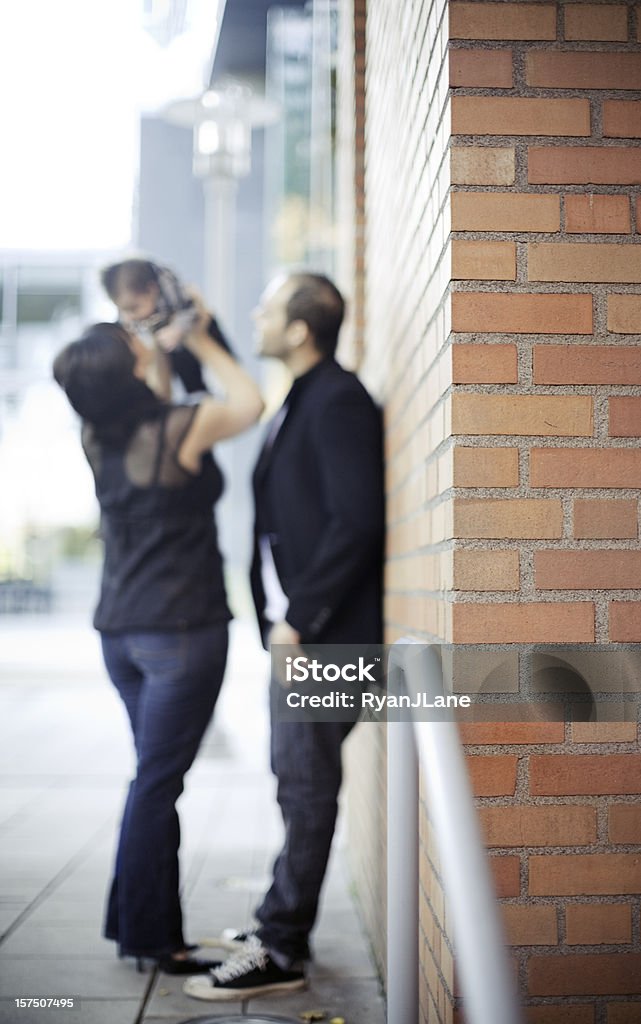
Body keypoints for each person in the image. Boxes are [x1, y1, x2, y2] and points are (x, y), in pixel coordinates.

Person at [184, 271, 384, 1002]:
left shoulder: (336, 399)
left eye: (267, 308)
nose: (256, 315)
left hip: (324, 638)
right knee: (293, 783)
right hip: (301, 635)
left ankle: (282, 946)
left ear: (300, 329)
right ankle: (277, 918)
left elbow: (357, 520)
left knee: (306, 790)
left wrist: (299, 615)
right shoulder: (304, 396)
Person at [52, 307, 264, 973]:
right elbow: (250, 401)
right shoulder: (180, 428)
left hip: (120, 633)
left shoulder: (97, 433)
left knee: (153, 779)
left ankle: (141, 926)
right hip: (180, 632)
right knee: (156, 783)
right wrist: (198, 336)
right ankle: (149, 935)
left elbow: (156, 401)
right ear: (131, 368)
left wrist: (151, 349)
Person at [101, 257, 234, 395]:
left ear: (152, 290)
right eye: (123, 310)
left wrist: (177, 329)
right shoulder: (132, 312)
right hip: (174, 345)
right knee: (192, 381)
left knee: (228, 363)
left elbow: (190, 310)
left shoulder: (170, 289)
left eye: (134, 308)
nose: (130, 316)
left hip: (197, 327)